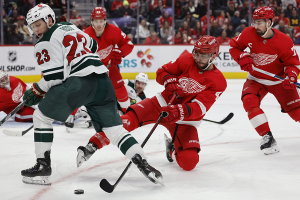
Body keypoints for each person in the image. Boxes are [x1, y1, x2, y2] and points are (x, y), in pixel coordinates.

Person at [21, 4, 163, 186]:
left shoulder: (43, 43)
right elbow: (93, 44)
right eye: (32, 26)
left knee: (40, 116)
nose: (35, 30)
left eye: (37, 25)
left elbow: (55, 77)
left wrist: (36, 90)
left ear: (49, 20)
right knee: (114, 130)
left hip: (79, 83)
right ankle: (142, 161)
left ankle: (42, 167)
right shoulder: (70, 26)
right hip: (103, 82)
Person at [76, 35, 227, 172]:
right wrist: (169, 81)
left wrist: (178, 110)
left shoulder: (219, 82)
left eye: (204, 55)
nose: (199, 58)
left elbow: (200, 107)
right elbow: (161, 72)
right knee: (127, 120)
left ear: (213, 56)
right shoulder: (186, 59)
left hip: (186, 121)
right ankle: (92, 145)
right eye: (198, 53)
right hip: (161, 103)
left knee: (189, 162)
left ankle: (172, 149)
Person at [229, 6, 300, 155]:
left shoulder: (284, 41)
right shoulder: (248, 33)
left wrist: (291, 76)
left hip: (278, 82)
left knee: (296, 112)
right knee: (249, 101)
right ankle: (267, 137)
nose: (256, 26)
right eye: (255, 22)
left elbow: (292, 64)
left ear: (270, 22)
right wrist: (241, 57)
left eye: (260, 22)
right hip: (256, 79)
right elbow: (234, 47)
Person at [84, 7, 133, 114]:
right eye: (96, 21)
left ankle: (129, 113)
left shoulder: (113, 30)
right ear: (91, 21)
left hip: (110, 67)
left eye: (101, 21)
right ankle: (73, 114)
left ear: (105, 20)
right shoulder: (85, 35)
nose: (99, 24)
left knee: (120, 89)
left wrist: (121, 52)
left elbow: (128, 44)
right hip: (92, 70)